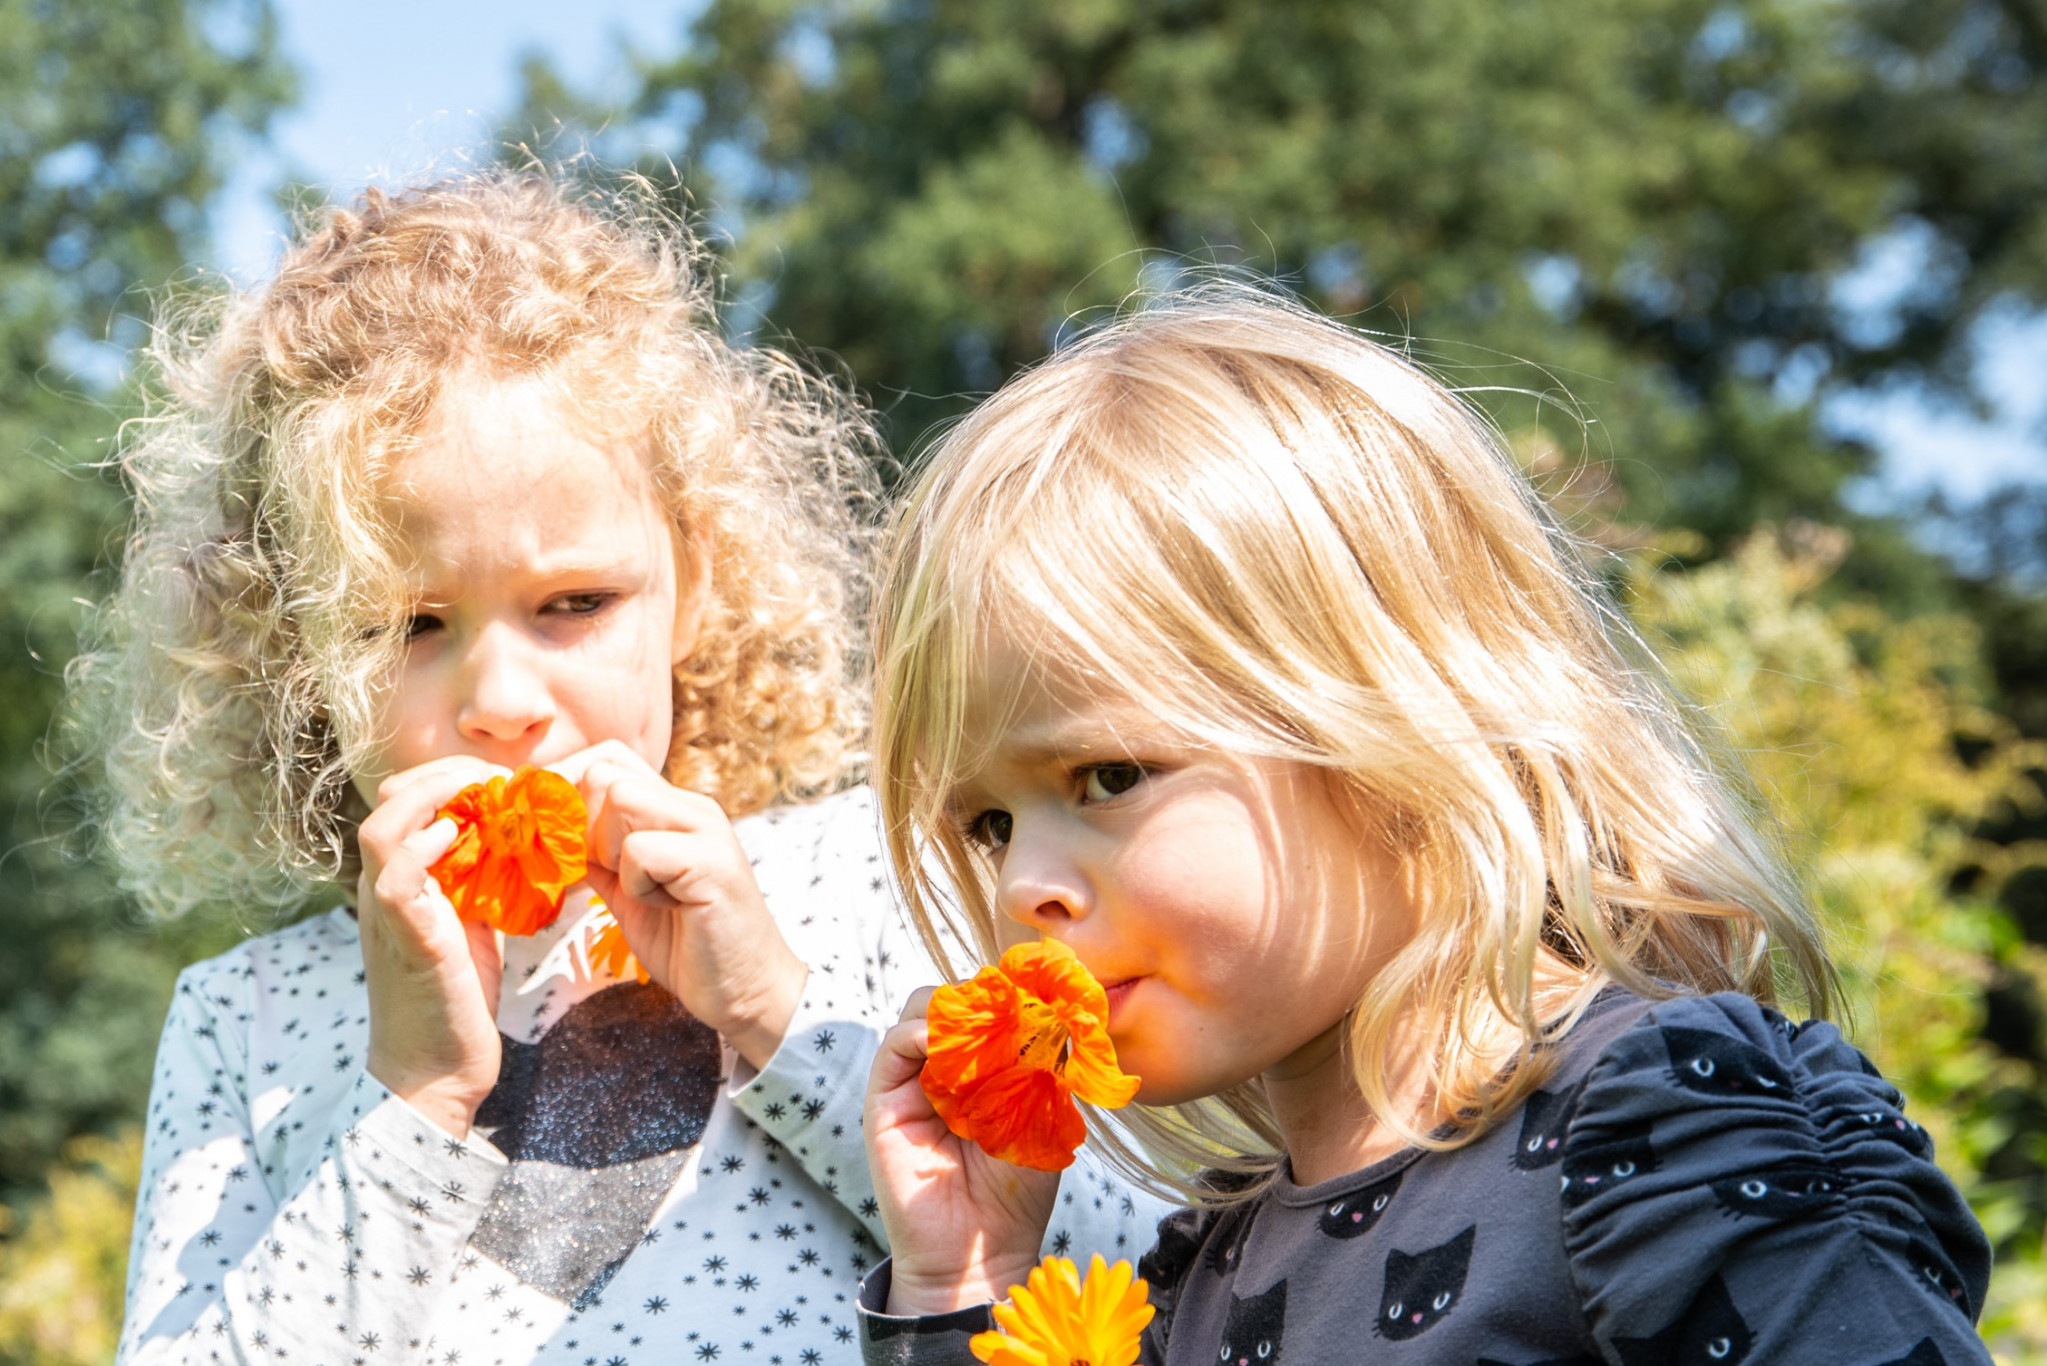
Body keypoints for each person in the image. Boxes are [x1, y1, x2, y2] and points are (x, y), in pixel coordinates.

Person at [82, 173, 1164, 1366]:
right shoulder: (251, 1018)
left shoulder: (880, 878)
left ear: (693, 583)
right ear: (295, 652)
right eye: (406, 626)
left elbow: (1137, 1282)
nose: (500, 705)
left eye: (574, 603)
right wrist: (413, 1095)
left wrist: (774, 1015)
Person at [853, 290, 1996, 1364]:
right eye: (989, 823)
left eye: (1107, 773)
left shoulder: (1659, 1123)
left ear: (1396, 727)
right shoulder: (1210, 1276)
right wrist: (970, 1273)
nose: (1020, 890)